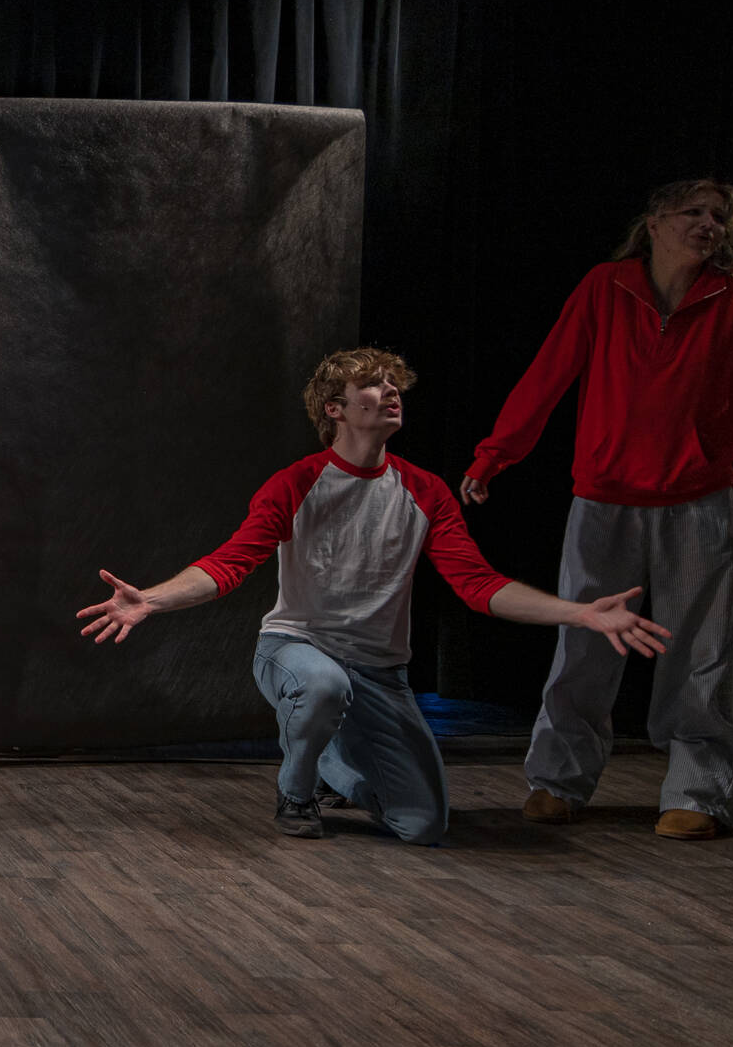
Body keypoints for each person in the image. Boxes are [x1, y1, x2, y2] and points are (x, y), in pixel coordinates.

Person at [77, 348, 669, 842]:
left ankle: (331, 767)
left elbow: (478, 585)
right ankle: (296, 791)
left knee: (423, 824)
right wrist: (152, 599)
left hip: (380, 672)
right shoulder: (298, 483)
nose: (390, 392)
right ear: (334, 409)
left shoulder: (426, 492)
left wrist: (580, 613)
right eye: (373, 384)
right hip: (297, 649)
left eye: (393, 384)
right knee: (323, 686)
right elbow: (231, 563)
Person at [461, 179, 733, 839]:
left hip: (700, 499)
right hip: (603, 496)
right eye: (693, 212)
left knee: (703, 650)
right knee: (584, 642)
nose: (709, 224)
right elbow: (549, 372)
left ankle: (698, 791)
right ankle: (558, 779)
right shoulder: (606, 287)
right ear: (654, 223)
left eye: (719, 216)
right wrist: (495, 454)